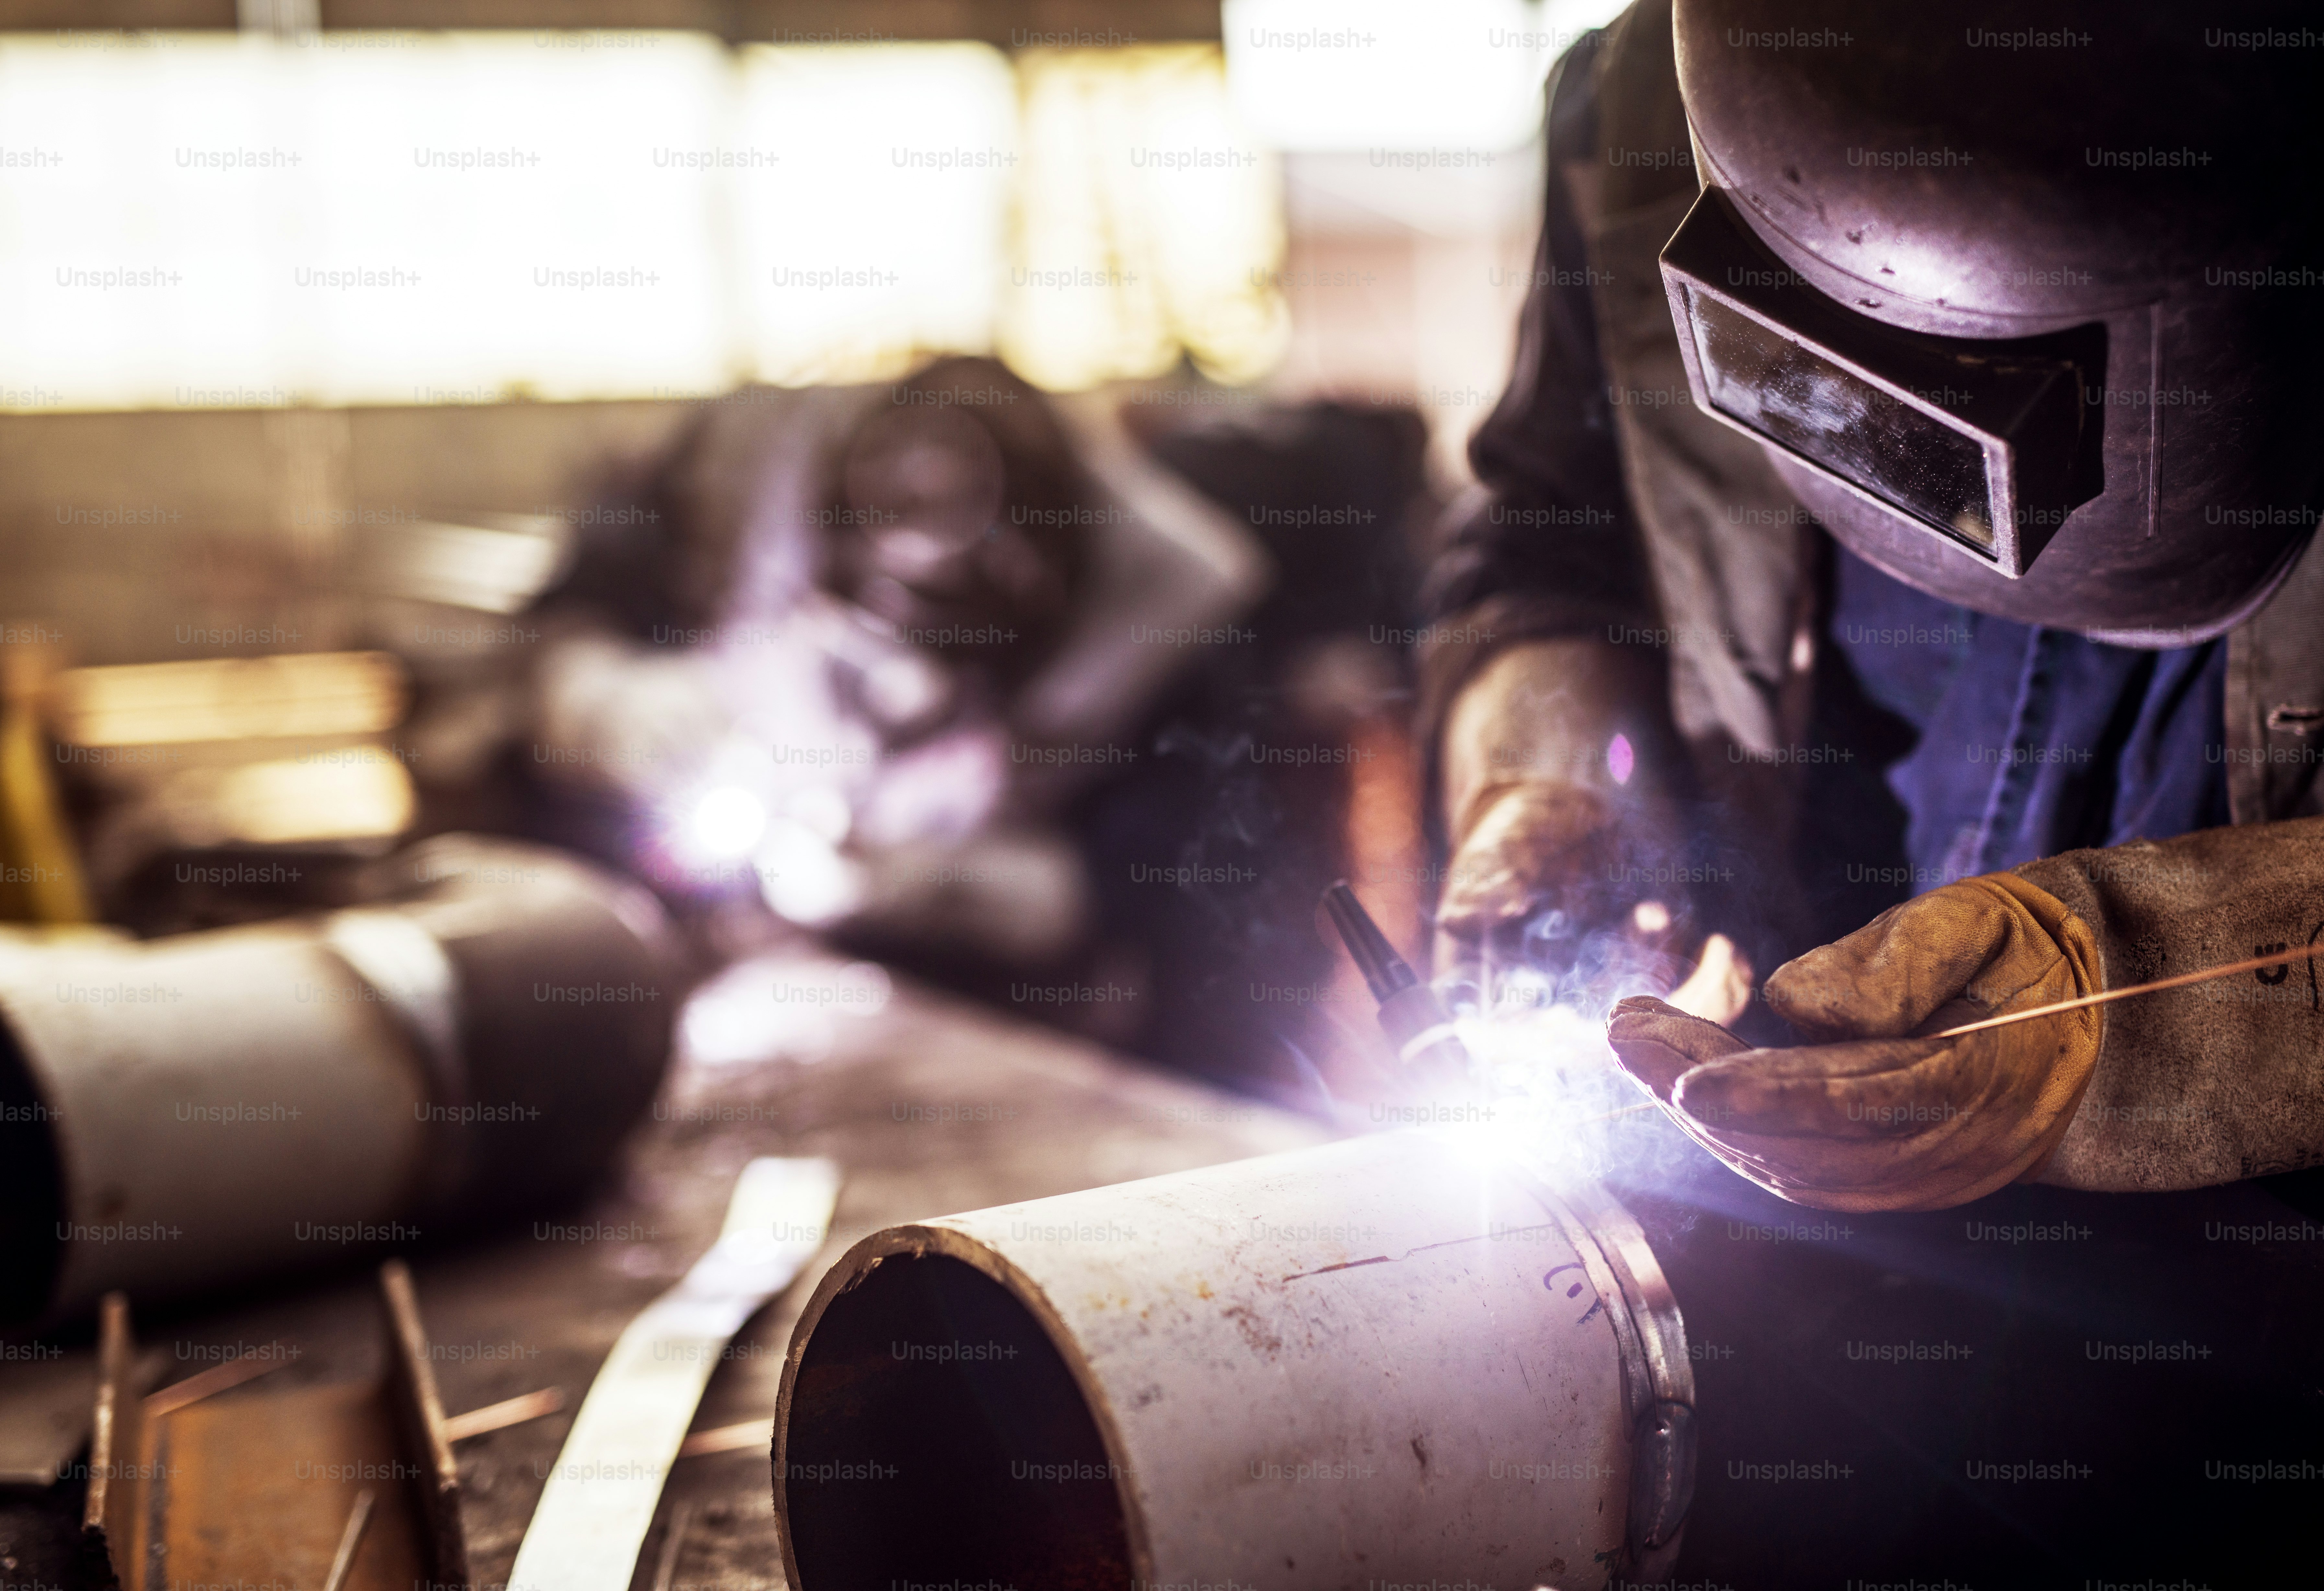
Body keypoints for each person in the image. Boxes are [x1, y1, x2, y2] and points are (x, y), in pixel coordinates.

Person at [1424, 0, 2324, 1214]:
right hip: (1788, 1161)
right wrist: (1562, 774)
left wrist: (2154, 994)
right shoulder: (1641, 102)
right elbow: (1551, 536)